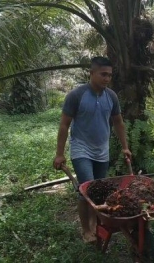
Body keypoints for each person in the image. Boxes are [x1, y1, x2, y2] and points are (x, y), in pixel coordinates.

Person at [53, 56, 132, 242]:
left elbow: (118, 122)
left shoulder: (111, 96)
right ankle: (86, 230)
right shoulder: (76, 95)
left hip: (102, 151)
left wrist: (125, 147)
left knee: (100, 191)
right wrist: (59, 153)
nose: (107, 78)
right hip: (81, 148)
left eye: (110, 75)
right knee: (86, 188)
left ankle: (96, 225)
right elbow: (64, 125)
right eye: (103, 74)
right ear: (91, 73)